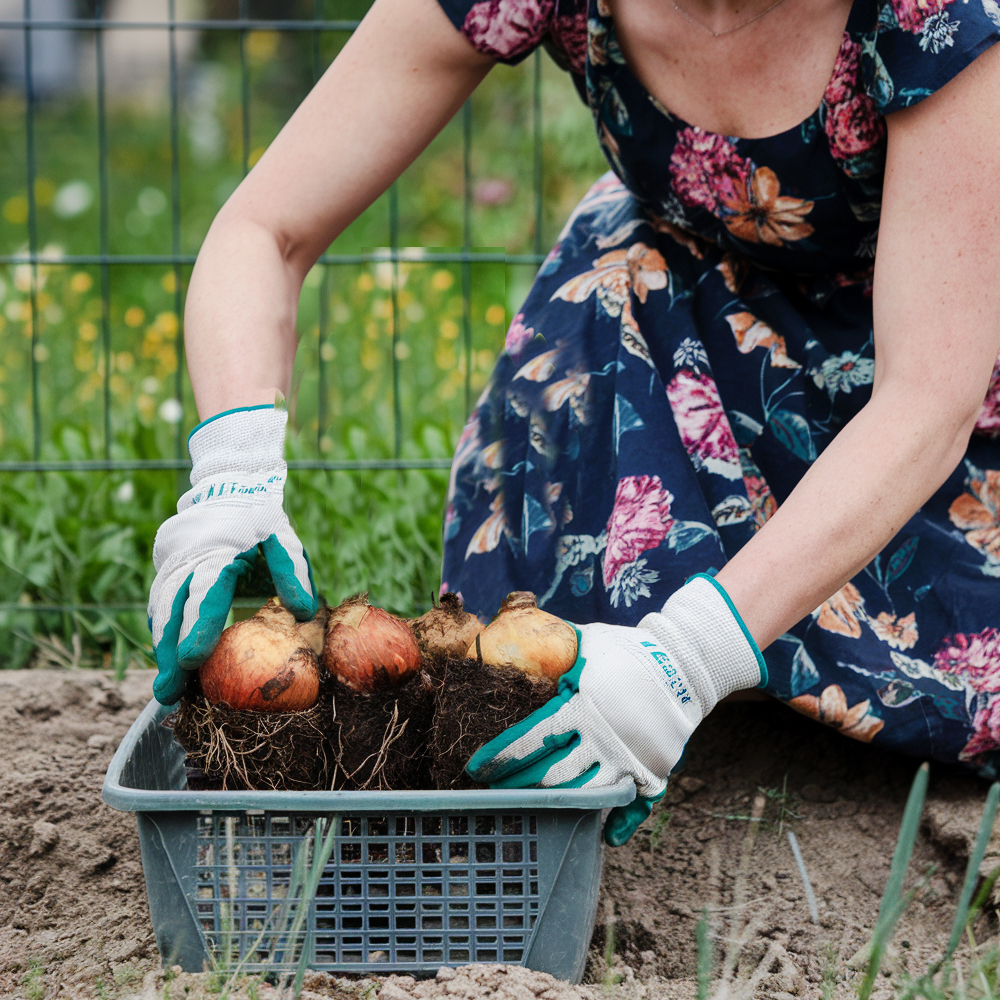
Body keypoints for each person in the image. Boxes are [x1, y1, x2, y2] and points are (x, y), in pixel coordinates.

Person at [147, 0, 1000, 844]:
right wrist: (234, 469)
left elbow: (928, 397)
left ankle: (704, 667)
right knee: (607, 281)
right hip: (688, 304)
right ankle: (679, 680)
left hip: (937, 364)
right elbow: (267, 228)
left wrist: (687, 656)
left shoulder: (940, 13)